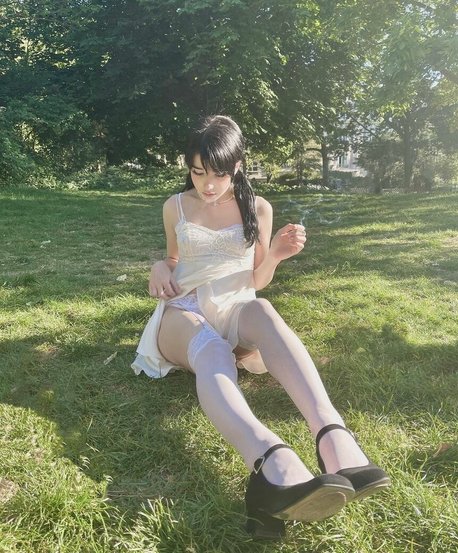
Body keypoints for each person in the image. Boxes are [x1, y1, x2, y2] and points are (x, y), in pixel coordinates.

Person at [132, 115, 390, 540]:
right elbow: (174, 260)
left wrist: (275, 255)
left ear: (237, 166)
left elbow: (255, 279)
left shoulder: (258, 207)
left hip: (234, 304)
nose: (207, 185)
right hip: (183, 310)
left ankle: (333, 437)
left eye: (218, 174)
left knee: (264, 310)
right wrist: (160, 265)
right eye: (198, 172)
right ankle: (271, 460)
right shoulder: (175, 205)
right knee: (213, 350)